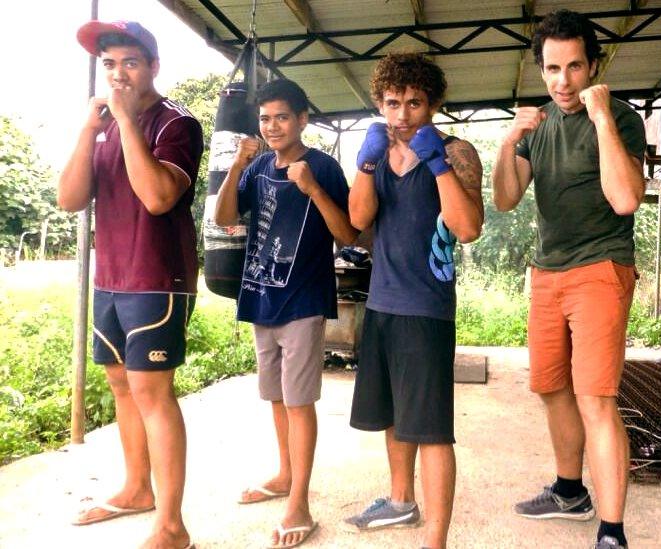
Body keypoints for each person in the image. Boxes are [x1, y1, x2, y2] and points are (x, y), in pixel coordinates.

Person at [491, 9, 646, 549]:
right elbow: (506, 198)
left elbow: (625, 198)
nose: (563, 81)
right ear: (541, 71)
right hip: (547, 272)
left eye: (575, 66)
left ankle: (612, 530)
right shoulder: (539, 127)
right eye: (552, 68)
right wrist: (509, 140)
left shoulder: (621, 117)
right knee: (551, 388)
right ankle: (568, 491)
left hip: (601, 269)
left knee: (595, 398)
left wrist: (602, 118)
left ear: (594, 66)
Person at [59, 20, 203, 549]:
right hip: (111, 276)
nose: (118, 74)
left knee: (151, 391)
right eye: (110, 64)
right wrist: (86, 132)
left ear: (154, 67)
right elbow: (71, 199)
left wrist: (123, 118)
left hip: (157, 279)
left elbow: (158, 197)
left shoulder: (176, 124)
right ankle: (137, 488)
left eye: (130, 63)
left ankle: (172, 524)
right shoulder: (104, 127)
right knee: (121, 384)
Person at [343, 52, 484, 549]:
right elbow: (358, 219)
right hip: (381, 302)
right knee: (392, 416)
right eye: (392, 103)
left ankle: (436, 539)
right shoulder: (377, 152)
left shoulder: (458, 150)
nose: (402, 115)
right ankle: (401, 501)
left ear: (434, 104)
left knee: (430, 429)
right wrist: (364, 162)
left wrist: (437, 163)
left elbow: (467, 228)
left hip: (426, 307)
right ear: (380, 103)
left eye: (415, 103)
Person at [213, 78, 357, 549]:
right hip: (260, 296)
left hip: (301, 301)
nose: (272, 126)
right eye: (264, 118)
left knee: (299, 402)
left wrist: (313, 188)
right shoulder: (256, 168)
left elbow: (349, 235)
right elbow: (224, 218)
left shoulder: (323, 166)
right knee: (276, 397)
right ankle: (283, 473)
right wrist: (236, 165)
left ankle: (300, 500)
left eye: (281, 117)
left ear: (302, 120)